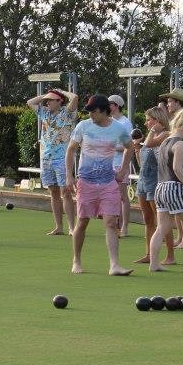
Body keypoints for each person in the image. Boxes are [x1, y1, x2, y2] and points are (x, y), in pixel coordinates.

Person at [64, 94, 134, 275]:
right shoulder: (83, 126)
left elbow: (130, 147)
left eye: (93, 112)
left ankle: (114, 265)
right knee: (83, 222)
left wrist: (123, 170)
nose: (90, 115)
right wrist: (69, 176)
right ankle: (76, 260)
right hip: (86, 182)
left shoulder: (118, 128)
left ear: (104, 111)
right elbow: (71, 149)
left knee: (111, 222)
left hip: (108, 182)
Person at [149, 110, 183, 271]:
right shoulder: (181, 144)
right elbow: (177, 168)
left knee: (162, 227)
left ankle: (154, 263)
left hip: (160, 187)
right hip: (174, 188)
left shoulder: (164, 142)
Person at [26, 88, 78, 235]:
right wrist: (47, 94)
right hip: (46, 158)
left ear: (59, 101)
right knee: (53, 193)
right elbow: (30, 102)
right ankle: (58, 227)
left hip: (62, 158)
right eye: (46, 101)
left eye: (50, 100)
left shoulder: (66, 113)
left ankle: (71, 227)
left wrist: (60, 91)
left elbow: (74, 97)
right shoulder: (44, 113)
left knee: (66, 192)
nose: (47, 102)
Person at [132, 106, 176, 265]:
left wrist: (151, 135)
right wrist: (137, 149)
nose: (146, 123)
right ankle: (149, 254)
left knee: (162, 221)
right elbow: (141, 164)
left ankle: (170, 255)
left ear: (157, 120)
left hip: (156, 183)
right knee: (148, 220)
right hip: (143, 182)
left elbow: (160, 159)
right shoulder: (150, 138)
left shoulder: (164, 135)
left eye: (148, 119)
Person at [108, 94, 134, 237]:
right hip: (108, 163)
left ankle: (124, 227)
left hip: (120, 163)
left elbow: (127, 146)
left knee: (123, 196)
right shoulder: (108, 121)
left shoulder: (125, 123)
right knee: (112, 196)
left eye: (109, 104)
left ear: (116, 105)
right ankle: (115, 225)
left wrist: (109, 147)